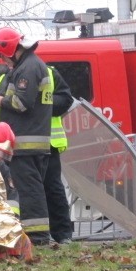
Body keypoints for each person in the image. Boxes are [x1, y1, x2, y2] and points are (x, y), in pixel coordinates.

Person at [0, 27, 53, 245]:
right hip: (28, 140)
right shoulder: (27, 65)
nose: (3, 61)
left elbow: (22, 103)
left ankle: (38, 236)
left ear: (11, 50)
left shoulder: (28, 68)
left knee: (29, 190)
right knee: (29, 188)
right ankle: (34, 234)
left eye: (3, 56)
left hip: (26, 142)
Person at [44, 66, 74, 244]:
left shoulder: (50, 72)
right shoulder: (3, 76)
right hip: (17, 145)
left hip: (49, 143)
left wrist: (42, 102)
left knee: (53, 188)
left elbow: (65, 100)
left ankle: (63, 234)